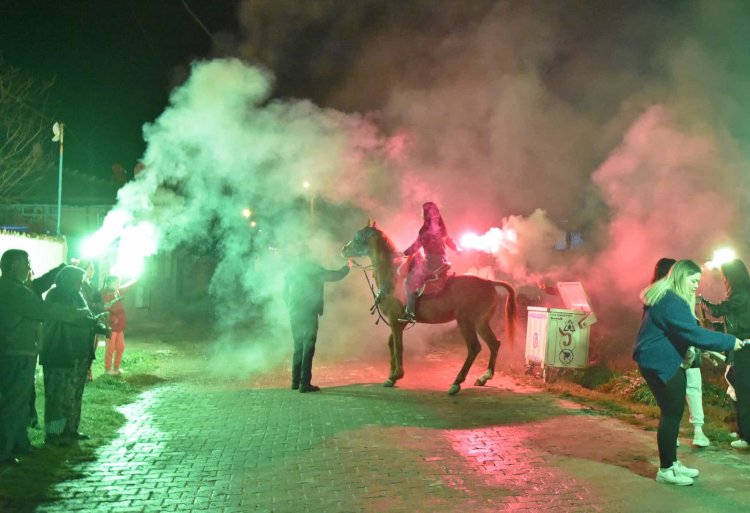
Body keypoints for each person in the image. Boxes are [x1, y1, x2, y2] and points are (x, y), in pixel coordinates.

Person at [634, 259, 745, 486]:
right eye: (694, 281)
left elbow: (682, 334)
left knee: (672, 412)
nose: (696, 286)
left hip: (656, 359)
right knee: (671, 414)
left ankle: (672, 463)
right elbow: (693, 333)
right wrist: (729, 341)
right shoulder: (672, 301)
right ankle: (666, 470)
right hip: (662, 362)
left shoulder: (666, 297)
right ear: (681, 277)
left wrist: (709, 352)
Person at [0, 250, 91, 465]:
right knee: (13, 403)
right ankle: (5, 450)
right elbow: (43, 309)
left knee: (21, 404)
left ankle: (19, 444)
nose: (29, 267)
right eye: (26, 262)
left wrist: (59, 270)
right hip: (14, 352)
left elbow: (37, 286)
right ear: (13, 266)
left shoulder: (17, 288)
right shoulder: (11, 290)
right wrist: (77, 313)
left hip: (22, 351)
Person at [40, 266, 109, 445]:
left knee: (74, 394)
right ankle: (54, 435)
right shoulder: (56, 295)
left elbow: (86, 318)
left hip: (80, 353)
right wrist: (87, 317)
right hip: (60, 352)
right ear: (67, 279)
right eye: (78, 279)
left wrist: (98, 324)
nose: (81, 283)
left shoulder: (77, 295)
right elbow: (68, 317)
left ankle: (70, 430)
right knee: (58, 396)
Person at [650, 257, 710, 447]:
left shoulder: (654, 294)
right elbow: (691, 324)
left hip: (668, 354)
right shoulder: (674, 295)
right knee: (693, 388)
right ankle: (697, 432)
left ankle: (673, 435)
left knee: (671, 398)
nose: (695, 285)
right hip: (681, 350)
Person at [699, 258, 750, 450]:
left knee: (743, 391)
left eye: (725, 276)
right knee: (736, 385)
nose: (724, 280)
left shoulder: (740, 294)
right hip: (741, 347)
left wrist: (701, 301)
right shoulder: (744, 293)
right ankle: (742, 430)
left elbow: (718, 310)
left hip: (744, 349)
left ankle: (747, 437)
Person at [283, 250, 351, 393]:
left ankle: (295, 382)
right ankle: (304, 384)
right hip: (309, 312)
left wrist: (290, 307)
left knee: (298, 347)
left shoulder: (291, 269)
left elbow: (284, 293)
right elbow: (334, 276)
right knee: (308, 347)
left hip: (294, 312)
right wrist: (348, 267)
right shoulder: (313, 268)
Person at [398, 202, 460, 323]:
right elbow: (449, 241)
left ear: (425, 214)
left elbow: (416, 246)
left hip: (431, 262)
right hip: (444, 260)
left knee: (408, 282)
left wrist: (404, 253)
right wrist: (457, 249)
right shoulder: (442, 227)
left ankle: (410, 313)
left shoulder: (425, 230)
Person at [100, 275, 136, 376]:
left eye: (119, 282)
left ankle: (116, 368)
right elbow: (105, 308)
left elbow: (126, 287)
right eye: (116, 282)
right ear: (110, 283)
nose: (118, 284)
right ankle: (107, 369)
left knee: (120, 347)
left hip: (119, 326)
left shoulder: (117, 292)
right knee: (110, 348)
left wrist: (135, 279)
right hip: (111, 327)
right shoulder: (105, 294)